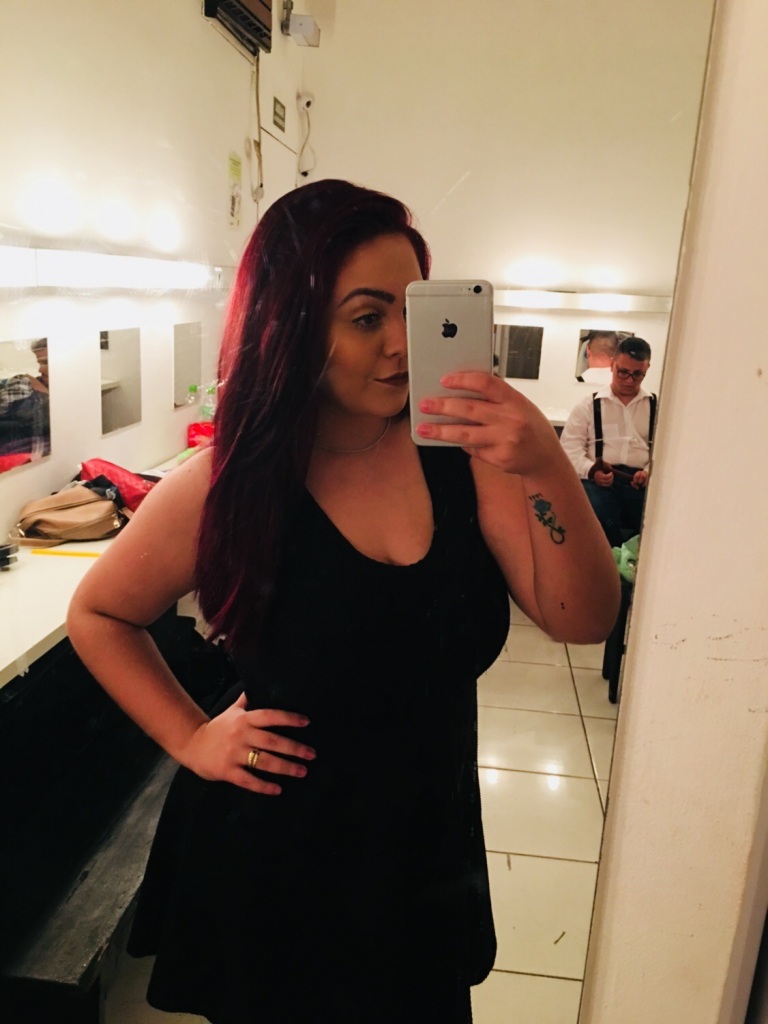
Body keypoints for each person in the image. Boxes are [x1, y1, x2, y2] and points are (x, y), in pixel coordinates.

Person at [66, 179, 619, 1024]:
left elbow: (584, 619)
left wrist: (544, 462)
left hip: (424, 850)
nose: (400, 345)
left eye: (412, 311)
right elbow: (100, 613)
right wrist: (192, 738)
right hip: (276, 859)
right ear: (291, 325)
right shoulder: (232, 482)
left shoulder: (463, 461)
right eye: (366, 318)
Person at [561, 336, 656, 548]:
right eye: (623, 372)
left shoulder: (656, 407)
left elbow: (669, 452)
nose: (629, 380)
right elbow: (568, 450)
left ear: (647, 368)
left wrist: (649, 471)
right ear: (612, 365)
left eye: (637, 374)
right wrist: (591, 470)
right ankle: (612, 558)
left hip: (641, 484)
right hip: (598, 481)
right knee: (597, 512)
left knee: (656, 519)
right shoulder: (588, 405)